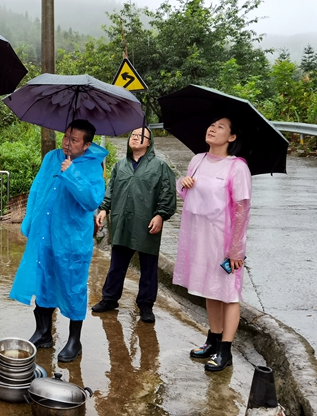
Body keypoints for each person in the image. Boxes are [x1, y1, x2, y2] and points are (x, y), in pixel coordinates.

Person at [10, 119, 107, 362]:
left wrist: (72, 172)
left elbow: (91, 201)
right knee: (44, 279)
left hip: (72, 239)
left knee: (73, 286)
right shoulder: (52, 158)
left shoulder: (92, 166)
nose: (67, 143)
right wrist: (30, 221)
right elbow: (37, 188)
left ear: (86, 145)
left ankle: (74, 340)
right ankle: (43, 332)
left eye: (74, 140)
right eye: (66, 136)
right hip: (45, 233)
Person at [173, 117, 251, 372]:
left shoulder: (237, 167)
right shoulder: (198, 160)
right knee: (210, 289)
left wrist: (236, 249)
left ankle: (225, 351)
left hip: (223, 240)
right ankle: (213, 340)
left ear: (231, 137)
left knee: (228, 294)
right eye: (211, 125)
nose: (212, 129)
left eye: (220, 127)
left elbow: (242, 209)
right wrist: (183, 183)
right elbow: (188, 193)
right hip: (199, 237)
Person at [92, 127, 177, 323]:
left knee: (148, 266)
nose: (136, 138)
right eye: (133, 135)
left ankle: (146, 305)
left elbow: (167, 193)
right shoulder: (120, 165)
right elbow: (111, 189)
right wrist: (104, 209)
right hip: (122, 221)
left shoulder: (160, 167)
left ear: (149, 142)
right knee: (117, 264)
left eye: (141, 136)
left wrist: (160, 215)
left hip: (147, 222)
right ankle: (109, 299)